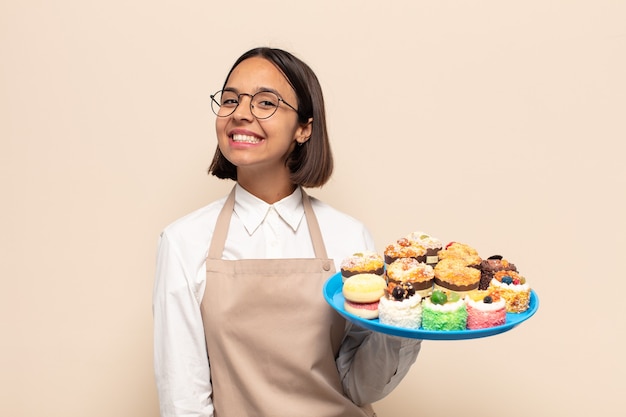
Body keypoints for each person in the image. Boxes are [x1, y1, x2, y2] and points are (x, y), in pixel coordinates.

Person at [153, 47, 422, 417]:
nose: (241, 113)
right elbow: (183, 398)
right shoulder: (184, 241)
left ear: (304, 128)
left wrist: (404, 322)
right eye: (230, 100)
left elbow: (360, 385)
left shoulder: (348, 237)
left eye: (266, 102)